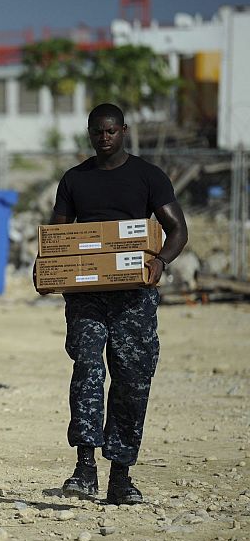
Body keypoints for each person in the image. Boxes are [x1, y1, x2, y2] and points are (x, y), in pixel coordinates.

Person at [41, 103, 188, 505]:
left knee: (131, 380)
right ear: (89, 133)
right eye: (96, 132)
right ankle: (84, 467)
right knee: (87, 371)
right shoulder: (75, 180)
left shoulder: (148, 177)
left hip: (133, 300)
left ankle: (121, 475)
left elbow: (177, 228)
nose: (104, 138)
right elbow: (58, 236)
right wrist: (48, 270)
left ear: (123, 131)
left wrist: (160, 261)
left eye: (110, 131)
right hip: (86, 296)